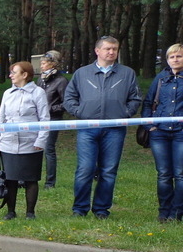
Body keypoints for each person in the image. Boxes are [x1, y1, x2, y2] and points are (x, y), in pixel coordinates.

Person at [64, 36, 141, 219]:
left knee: (108, 170)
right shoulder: (82, 73)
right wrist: (80, 112)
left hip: (114, 129)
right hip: (87, 129)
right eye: (108, 49)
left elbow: (135, 98)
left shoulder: (127, 73)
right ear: (97, 51)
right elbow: (69, 97)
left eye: (115, 49)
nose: (112, 52)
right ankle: (79, 209)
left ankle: (101, 209)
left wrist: (124, 113)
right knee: (85, 169)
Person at [0, 61, 50, 220]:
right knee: (10, 179)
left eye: (14, 72)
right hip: (8, 143)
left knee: (31, 179)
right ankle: (11, 211)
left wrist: (40, 141)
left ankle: (30, 212)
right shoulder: (7, 93)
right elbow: (1, 119)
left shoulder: (38, 92)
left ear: (24, 75)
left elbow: (45, 119)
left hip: (30, 143)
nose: (10, 75)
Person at [142, 43, 183, 223]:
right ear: (167, 59)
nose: (175, 59)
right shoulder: (160, 78)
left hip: (181, 133)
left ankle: (177, 213)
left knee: (180, 174)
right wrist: (149, 125)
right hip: (159, 132)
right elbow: (148, 102)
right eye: (172, 57)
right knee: (164, 173)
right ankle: (163, 212)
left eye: (179, 56)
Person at [36, 50, 68, 189]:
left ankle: (50, 183)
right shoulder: (40, 80)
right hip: (37, 120)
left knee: (48, 149)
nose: (41, 66)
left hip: (53, 120)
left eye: (44, 63)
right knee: (34, 149)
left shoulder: (61, 81)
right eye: (41, 63)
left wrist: (50, 109)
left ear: (53, 64)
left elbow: (67, 103)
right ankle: (29, 178)